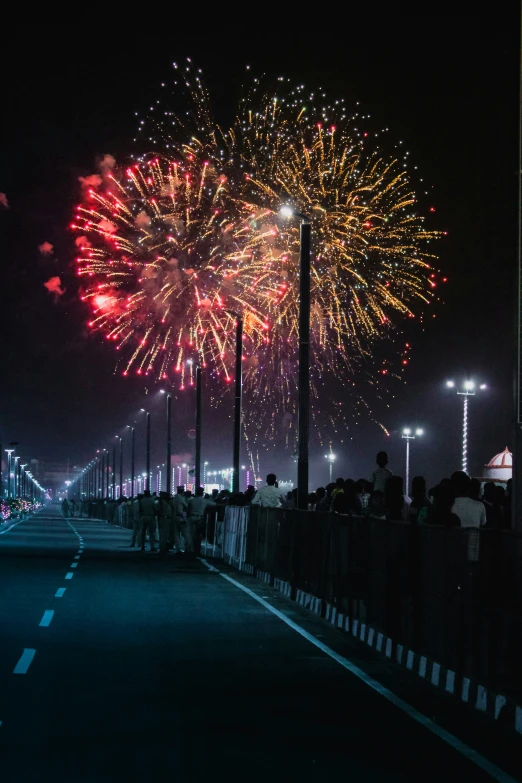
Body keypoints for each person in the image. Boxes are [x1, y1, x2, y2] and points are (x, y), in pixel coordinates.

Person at [451, 471, 486, 561]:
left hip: (452, 554)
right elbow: (483, 524)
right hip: (473, 554)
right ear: (469, 488)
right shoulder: (480, 506)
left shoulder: (448, 505)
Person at [187, 487, 216, 556]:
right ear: (202, 493)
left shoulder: (191, 500)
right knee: (198, 535)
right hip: (200, 518)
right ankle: (197, 550)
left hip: (191, 517)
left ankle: (190, 550)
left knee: (190, 535)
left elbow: (188, 509)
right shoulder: (204, 501)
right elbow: (215, 504)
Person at [172, 486, 188, 554]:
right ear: (182, 491)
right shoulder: (181, 498)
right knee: (185, 534)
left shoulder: (174, 498)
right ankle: (186, 548)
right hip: (181, 517)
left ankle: (177, 549)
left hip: (175, 517)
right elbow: (186, 506)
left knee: (176, 534)